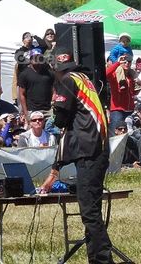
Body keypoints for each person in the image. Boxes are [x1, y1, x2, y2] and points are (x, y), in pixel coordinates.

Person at [38, 48, 115, 263]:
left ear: (55, 66)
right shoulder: (83, 78)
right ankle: (96, 258)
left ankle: (102, 260)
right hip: (97, 149)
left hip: (89, 152)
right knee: (92, 210)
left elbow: (61, 120)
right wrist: (56, 168)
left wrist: (55, 108)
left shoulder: (67, 81)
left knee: (89, 212)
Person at [18, 52, 55, 123]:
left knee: (51, 131)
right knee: (34, 132)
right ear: (30, 59)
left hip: (48, 110)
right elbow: (22, 94)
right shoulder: (24, 74)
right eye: (34, 57)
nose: (36, 59)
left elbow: (54, 90)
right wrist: (25, 113)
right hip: (32, 110)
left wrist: (53, 105)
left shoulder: (49, 73)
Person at [105, 55, 138, 133]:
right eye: (124, 62)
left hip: (129, 110)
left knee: (130, 135)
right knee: (115, 135)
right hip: (117, 110)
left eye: (129, 62)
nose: (126, 63)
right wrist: (117, 63)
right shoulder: (114, 75)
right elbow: (106, 74)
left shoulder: (131, 76)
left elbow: (132, 93)